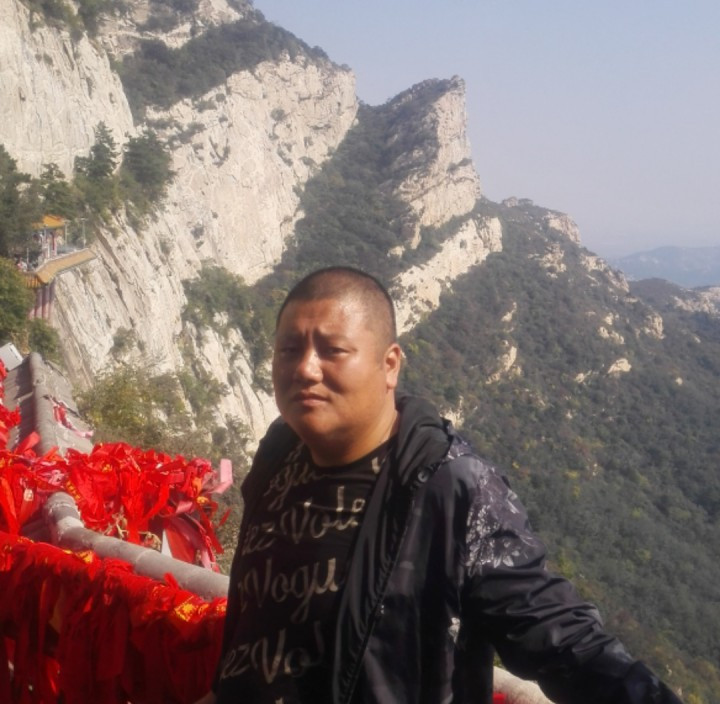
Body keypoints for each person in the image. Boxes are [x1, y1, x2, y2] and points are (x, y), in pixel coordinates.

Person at [196, 266, 683, 704]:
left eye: (333, 351)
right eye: (289, 349)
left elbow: (561, 638)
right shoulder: (281, 448)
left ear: (390, 364)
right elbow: (258, 620)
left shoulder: (449, 486)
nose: (305, 368)